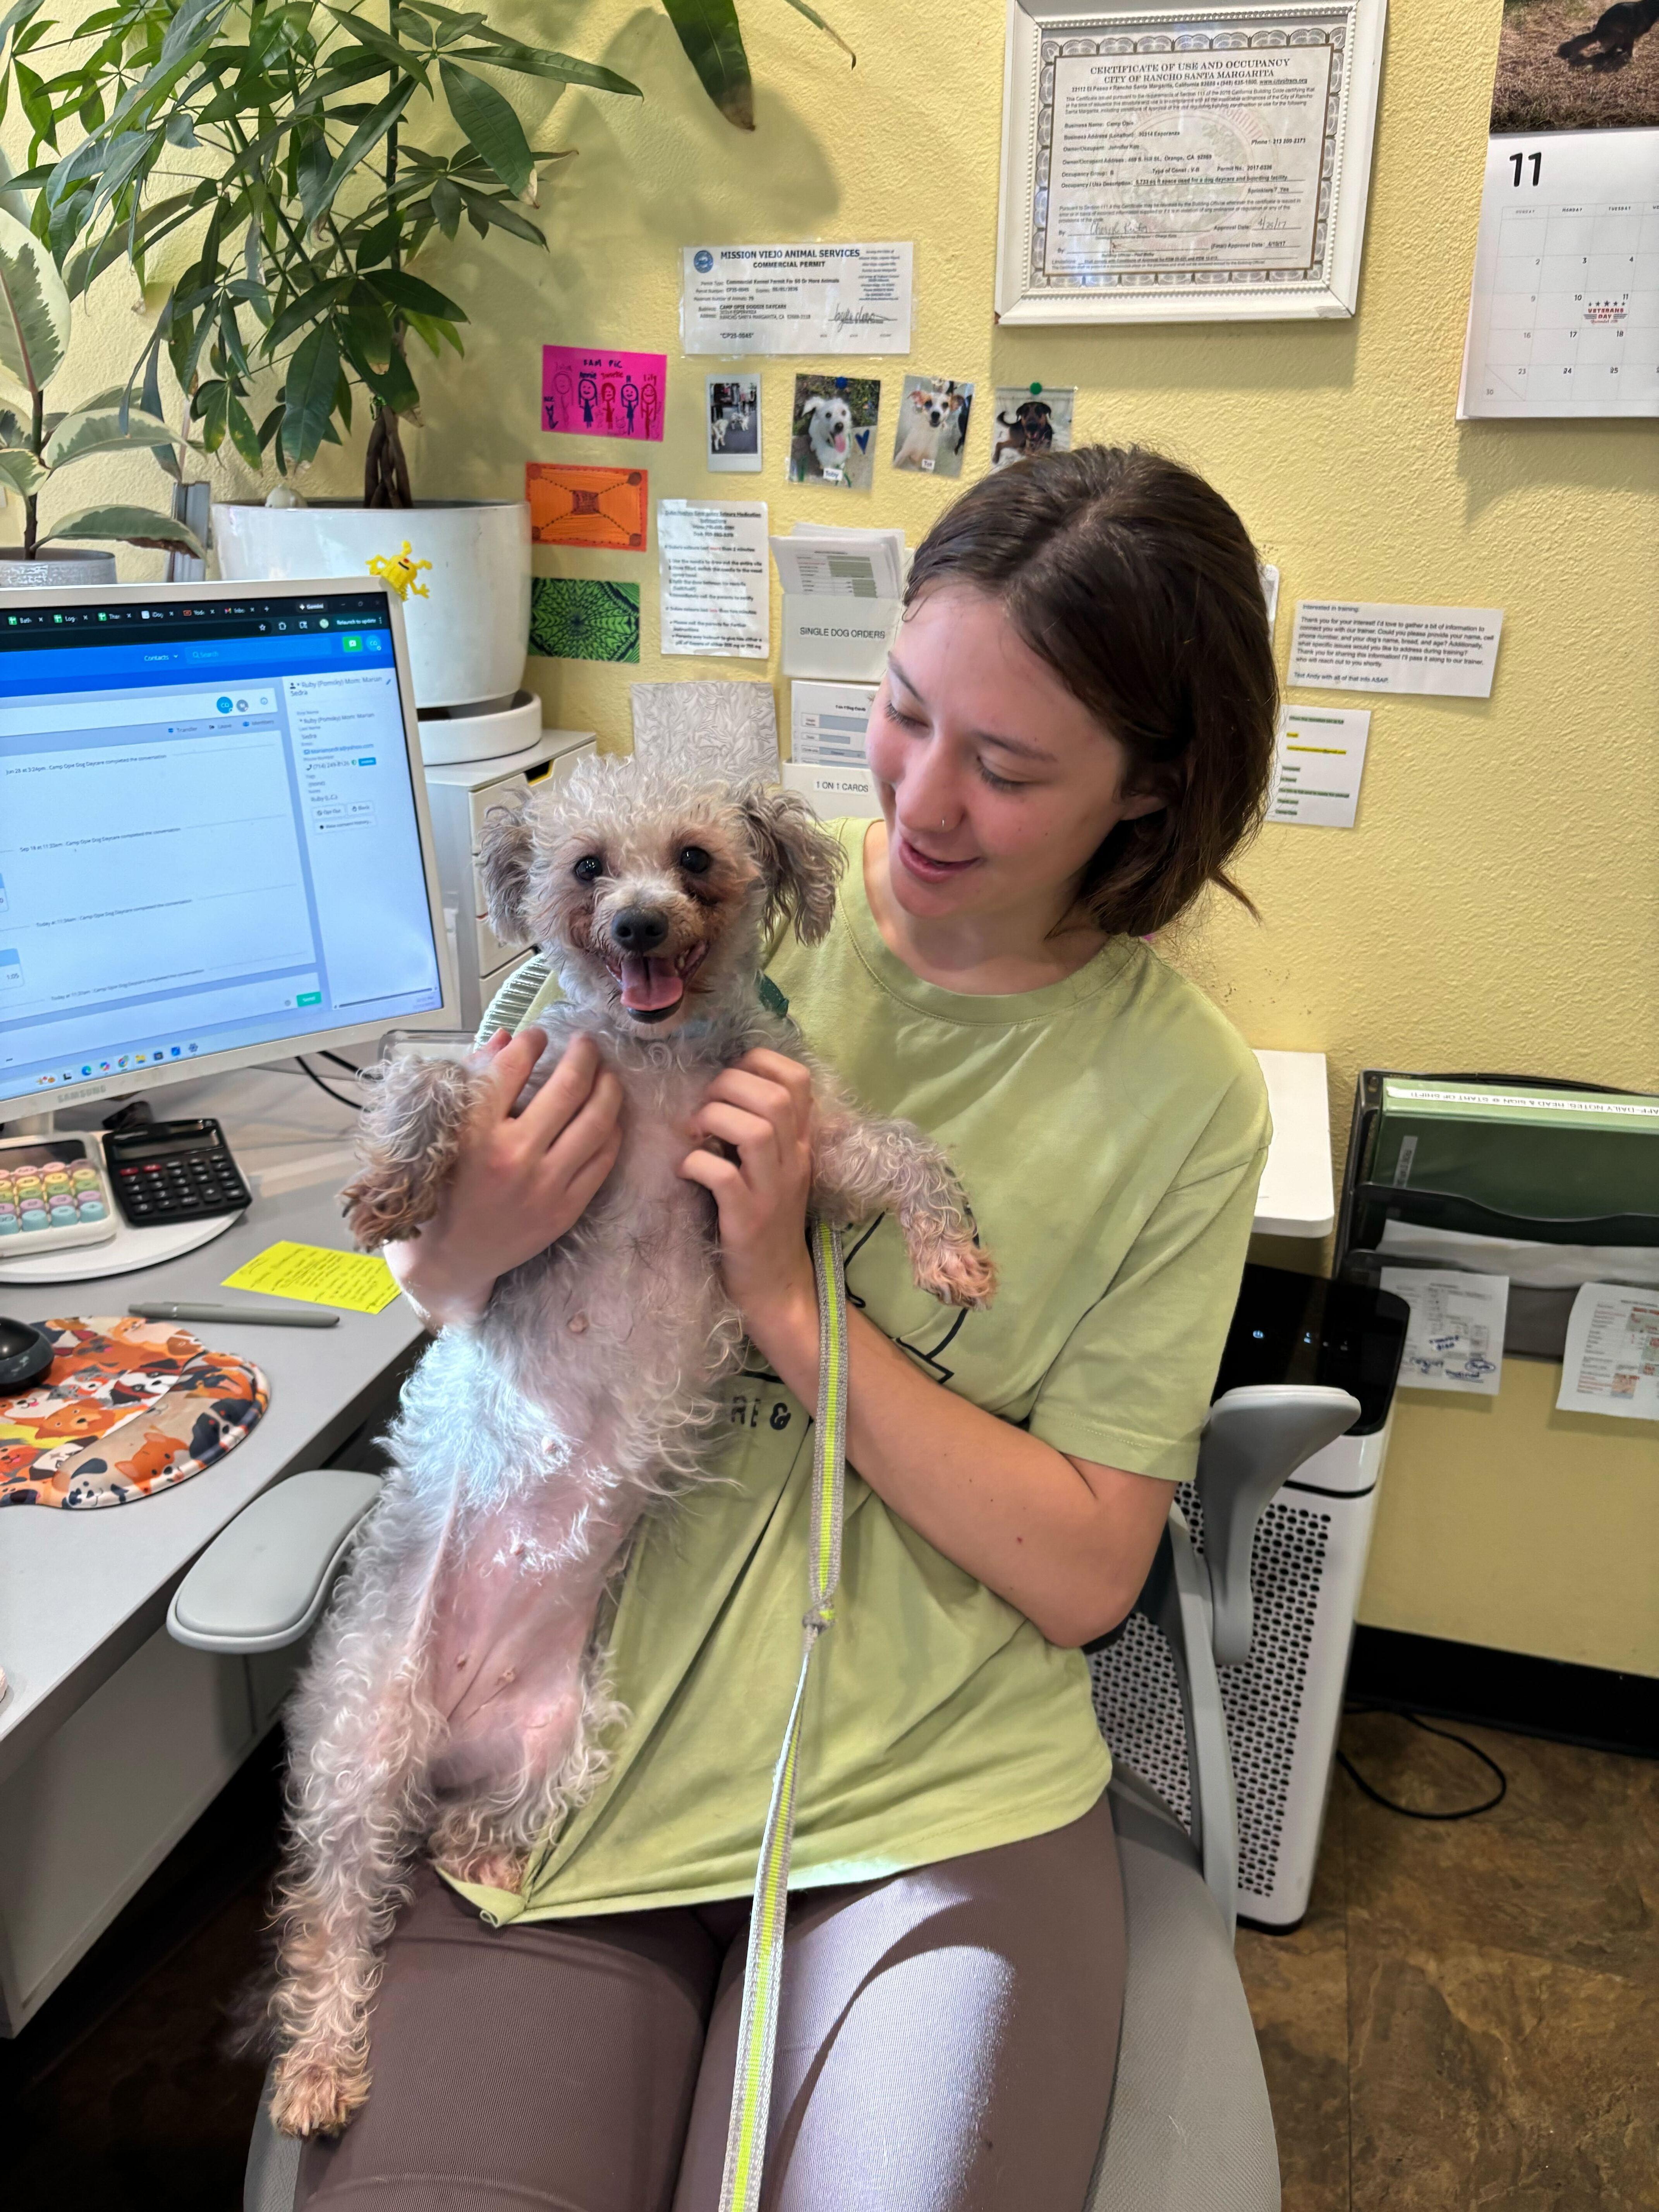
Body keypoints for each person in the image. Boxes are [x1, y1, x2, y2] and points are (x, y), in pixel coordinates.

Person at [296, 446, 1279, 2212]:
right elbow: (444, 1300)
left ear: (1152, 793)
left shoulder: (1184, 1098)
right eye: (906, 714)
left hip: (931, 1779)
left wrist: (784, 1303)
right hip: (574, 1736)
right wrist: (465, 1252)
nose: (923, 799)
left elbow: (1084, 1576)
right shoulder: (661, 924)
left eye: (1012, 765)